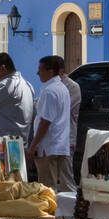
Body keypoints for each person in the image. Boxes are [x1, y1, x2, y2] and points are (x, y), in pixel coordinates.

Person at [29, 55, 74, 194]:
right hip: (60, 145)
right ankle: (62, 215)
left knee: (47, 190)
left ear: (50, 71)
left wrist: (33, 145)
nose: (37, 73)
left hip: (48, 147)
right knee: (61, 188)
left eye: (40, 70)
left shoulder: (49, 91)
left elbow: (45, 122)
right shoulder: (62, 88)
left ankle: (51, 215)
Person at [0, 52, 35, 146]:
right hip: (16, 143)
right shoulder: (27, 85)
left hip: (2, 146)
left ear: (3, 68)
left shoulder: (7, 85)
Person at [61, 63, 82, 161]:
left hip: (65, 141)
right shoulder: (48, 87)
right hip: (51, 143)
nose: (38, 73)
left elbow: (60, 111)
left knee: (65, 174)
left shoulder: (72, 87)